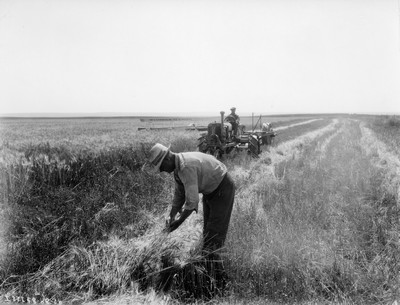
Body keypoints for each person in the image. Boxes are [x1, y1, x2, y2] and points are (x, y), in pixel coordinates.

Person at [148, 143, 236, 254]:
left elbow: (192, 201)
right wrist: (172, 215)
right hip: (210, 189)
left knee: (215, 233)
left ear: (167, 158)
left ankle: (216, 269)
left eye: (161, 166)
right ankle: (209, 262)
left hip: (222, 188)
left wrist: (179, 222)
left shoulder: (186, 167)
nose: (162, 170)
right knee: (208, 232)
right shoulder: (178, 167)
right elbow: (179, 194)